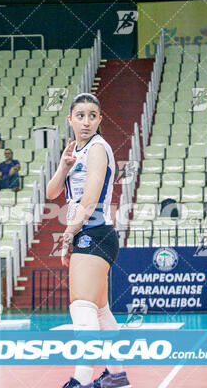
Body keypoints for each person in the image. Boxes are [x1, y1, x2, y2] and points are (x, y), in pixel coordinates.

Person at [46, 93, 130, 388]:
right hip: (90, 234)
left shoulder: (97, 148)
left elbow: (91, 197)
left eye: (92, 115)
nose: (86, 121)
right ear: (70, 120)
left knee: (81, 308)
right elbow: (51, 193)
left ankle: (80, 380)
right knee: (100, 311)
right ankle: (116, 376)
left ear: (99, 120)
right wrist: (63, 167)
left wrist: (68, 235)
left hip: (94, 233)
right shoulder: (75, 151)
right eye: (80, 115)